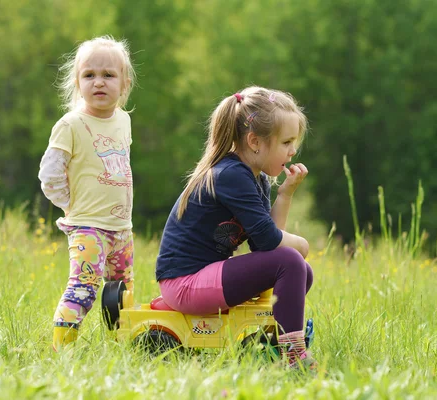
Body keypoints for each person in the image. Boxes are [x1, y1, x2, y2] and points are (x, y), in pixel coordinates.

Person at [155, 86, 315, 368]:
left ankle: (271, 343)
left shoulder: (256, 177)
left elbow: (262, 245)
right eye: (286, 142)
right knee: (292, 260)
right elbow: (269, 242)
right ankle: (293, 355)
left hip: (203, 278)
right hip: (185, 282)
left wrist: (285, 195)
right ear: (255, 141)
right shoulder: (231, 175)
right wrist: (300, 245)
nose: (292, 152)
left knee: (300, 271)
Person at [38, 35, 136, 350]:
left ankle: (119, 344)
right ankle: (62, 349)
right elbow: (50, 175)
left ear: (124, 83)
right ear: (77, 82)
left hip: (122, 228)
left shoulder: (124, 120)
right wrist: (72, 205)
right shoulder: (71, 125)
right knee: (83, 288)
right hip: (87, 227)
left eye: (109, 75)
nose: (99, 82)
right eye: (89, 75)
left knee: (122, 290)